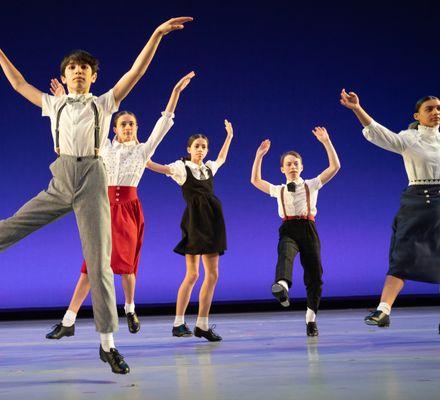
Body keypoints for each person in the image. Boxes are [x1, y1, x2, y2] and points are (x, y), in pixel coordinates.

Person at [0, 17, 193, 374]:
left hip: (92, 179)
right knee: (7, 228)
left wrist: (157, 35)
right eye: (72, 68)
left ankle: (107, 344)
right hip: (61, 179)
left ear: (93, 76)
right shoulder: (54, 105)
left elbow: (136, 72)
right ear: (66, 74)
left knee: (99, 262)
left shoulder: (103, 104)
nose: (78, 72)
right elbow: (19, 83)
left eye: (84, 68)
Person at [45, 72, 195, 340]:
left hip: (128, 211)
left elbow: (164, 124)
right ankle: (69, 320)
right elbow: (85, 120)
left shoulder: (142, 151)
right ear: (114, 129)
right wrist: (62, 99)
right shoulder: (103, 147)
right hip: (102, 208)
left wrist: (175, 93)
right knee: (90, 266)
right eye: (123, 124)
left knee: (125, 269)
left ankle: (129, 308)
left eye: (132, 124)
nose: (128, 127)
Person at [340, 89, 440, 329]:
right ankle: (383, 310)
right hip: (417, 203)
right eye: (430, 109)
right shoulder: (409, 138)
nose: (436, 112)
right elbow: (380, 134)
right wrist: (357, 109)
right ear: (417, 115)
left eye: (439, 108)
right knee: (402, 257)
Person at [250, 127, 340, 336]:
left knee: (315, 276)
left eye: (295, 163)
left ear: (301, 167)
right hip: (288, 228)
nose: (292, 166)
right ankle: (282, 286)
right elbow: (255, 180)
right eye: (288, 164)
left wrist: (326, 142)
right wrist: (259, 156)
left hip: (308, 228)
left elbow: (335, 167)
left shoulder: (311, 185)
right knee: (285, 254)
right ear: (282, 169)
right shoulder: (279, 189)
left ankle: (310, 319)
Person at [148, 121, 233, 341]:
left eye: (204, 146)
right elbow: (156, 167)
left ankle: (202, 324)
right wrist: (140, 153)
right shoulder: (181, 168)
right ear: (189, 149)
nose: (200, 149)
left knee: (212, 274)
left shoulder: (208, 169)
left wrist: (229, 136)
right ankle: (178, 322)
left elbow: (222, 159)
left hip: (213, 221)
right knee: (193, 274)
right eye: (197, 146)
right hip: (195, 222)